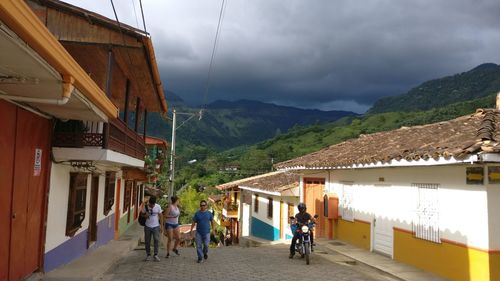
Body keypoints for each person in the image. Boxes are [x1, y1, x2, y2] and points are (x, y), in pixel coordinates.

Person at [140, 196, 163, 262]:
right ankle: (148, 254)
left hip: (156, 226)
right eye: (150, 205)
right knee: (147, 241)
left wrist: (161, 226)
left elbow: (161, 216)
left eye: (153, 205)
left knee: (156, 240)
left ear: (155, 203)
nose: (152, 206)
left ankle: (155, 254)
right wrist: (145, 216)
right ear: (149, 203)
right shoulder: (145, 207)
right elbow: (141, 215)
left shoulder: (158, 206)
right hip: (147, 226)